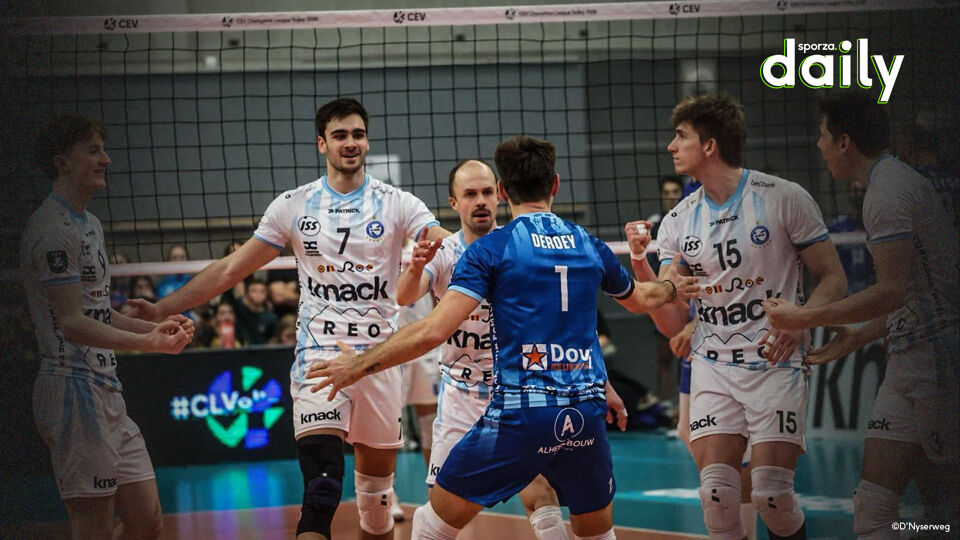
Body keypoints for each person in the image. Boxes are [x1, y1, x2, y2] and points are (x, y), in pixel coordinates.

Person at [307, 136, 699, 540]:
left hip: (522, 411)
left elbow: (432, 330)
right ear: (556, 184)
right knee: (596, 533)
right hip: (584, 408)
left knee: (431, 522)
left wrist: (357, 364)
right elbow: (641, 299)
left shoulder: (492, 249)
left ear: (503, 192)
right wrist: (673, 287)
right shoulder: (588, 244)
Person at [127, 97, 449, 540]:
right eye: (339, 135)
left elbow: (446, 243)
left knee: (376, 505)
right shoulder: (294, 205)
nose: (350, 143)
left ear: (367, 141)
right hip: (319, 356)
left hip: (379, 359)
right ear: (322, 144)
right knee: (321, 489)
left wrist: (496, 257)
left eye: (358, 134)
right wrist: (162, 308)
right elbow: (229, 270)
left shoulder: (397, 203)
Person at [625, 92, 847, 540]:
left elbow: (833, 278)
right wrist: (640, 264)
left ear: (710, 146)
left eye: (681, 136)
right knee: (717, 496)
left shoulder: (783, 198)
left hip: (774, 360)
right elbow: (672, 322)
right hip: (713, 364)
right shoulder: (678, 221)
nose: (670, 146)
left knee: (772, 496)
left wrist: (800, 320)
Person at [394, 158, 631, 539]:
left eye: (487, 192)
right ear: (454, 202)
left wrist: (603, 382)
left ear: (500, 194)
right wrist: (413, 268)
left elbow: (566, 328)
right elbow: (406, 296)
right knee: (442, 505)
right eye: (470, 194)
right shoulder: (446, 251)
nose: (480, 201)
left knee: (539, 494)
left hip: (520, 393)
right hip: (462, 394)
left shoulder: (519, 246)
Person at [763, 90, 959, 537]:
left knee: (946, 509)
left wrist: (801, 318)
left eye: (823, 135)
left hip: (940, 364)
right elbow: (908, 297)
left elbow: (890, 291)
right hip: (908, 357)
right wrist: (855, 337)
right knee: (872, 511)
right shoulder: (887, 184)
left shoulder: (888, 192)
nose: (819, 145)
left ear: (844, 141)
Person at [20, 114, 193, 539]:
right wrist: (149, 344)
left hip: (106, 387)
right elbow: (72, 324)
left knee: (146, 521)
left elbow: (95, 312)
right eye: (93, 151)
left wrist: (149, 326)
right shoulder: (52, 230)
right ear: (62, 162)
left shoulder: (90, 225)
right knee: (93, 525)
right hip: (71, 389)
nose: (106, 160)